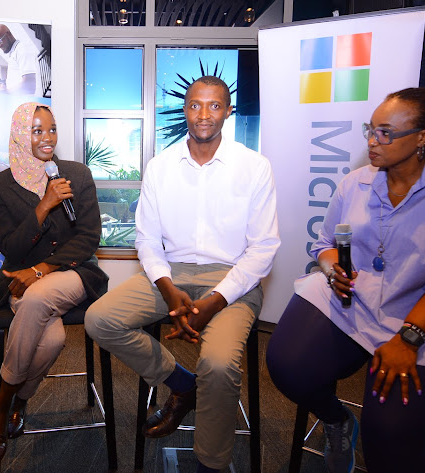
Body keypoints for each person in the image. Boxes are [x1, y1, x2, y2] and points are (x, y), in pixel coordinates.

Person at [265, 87, 425, 473]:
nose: (372, 140)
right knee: (288, 367)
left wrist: (409, 338)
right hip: (356, 300)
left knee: (388, 432)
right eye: (371, 129)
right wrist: (334, 267)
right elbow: (324, 243)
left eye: (386, 132)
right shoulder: (355, 182)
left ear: (423, 137)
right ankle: (337, 421)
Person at [86, 76, 280, 473]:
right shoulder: (160, 167)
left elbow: (263, 249)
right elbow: (147, 238)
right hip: (168, 274)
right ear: (185, 109)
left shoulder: (254, 167)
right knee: (99, 319)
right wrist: (168, 288)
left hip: (232, 280)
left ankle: (211, 463)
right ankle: (181, 382)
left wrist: (215, 301)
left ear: (228, 111)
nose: (203, 114)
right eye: (195, 105)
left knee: (221, 364)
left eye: (213, 106)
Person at [0, 102, 107, 468]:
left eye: (51, 129)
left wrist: (41, 270)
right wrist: (43, 206)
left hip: (74, 273)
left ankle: (0, 403)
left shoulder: (76, 175)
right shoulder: (1, 185)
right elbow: (11, 247)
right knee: (51, 339)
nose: (47, 138)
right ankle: (20, 400)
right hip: (22, 278)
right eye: (37, 131)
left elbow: (89, 238)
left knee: (36, 299)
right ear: (21, 135)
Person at [0, 24, 39, 95]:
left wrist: (5, 92)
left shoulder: (23, 50)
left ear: (8, 34)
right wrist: (3, 85)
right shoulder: (14, 51)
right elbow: (16, 80)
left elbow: (30, 85)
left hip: (24, 102)